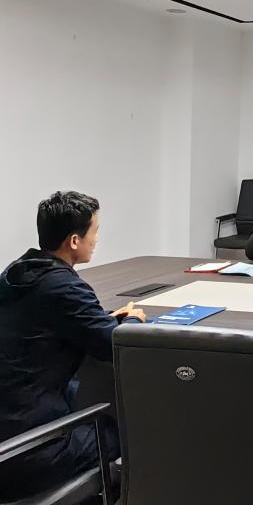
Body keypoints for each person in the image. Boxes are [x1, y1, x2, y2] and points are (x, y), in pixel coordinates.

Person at [0, 191, 146, 500]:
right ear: (75, 241)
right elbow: (115, 347)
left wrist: (101, 319)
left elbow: (49, 321)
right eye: (94, 232)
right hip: (28, 451)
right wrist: (133, 320)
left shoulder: (16, 273)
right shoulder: (64, 286)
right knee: (128, 432)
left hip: (8, 437)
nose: (97, 239)